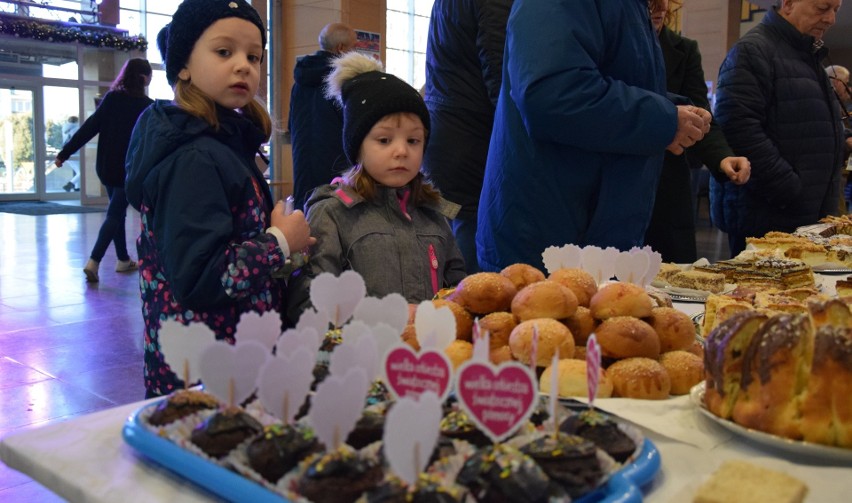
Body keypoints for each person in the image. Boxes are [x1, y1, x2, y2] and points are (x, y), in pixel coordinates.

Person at [124, 0, 315, 397]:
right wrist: (278, 243)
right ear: (183, 65)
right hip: (204, 379)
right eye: (224, 52)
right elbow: (200, 279)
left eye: (253, 56)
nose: (243, 65)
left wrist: (284, 249)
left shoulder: (221, 141)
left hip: (235, 362)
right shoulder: (192, 156)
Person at [475, 1, 711, 272]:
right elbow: (552, 94)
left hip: (586, 227)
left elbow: (610, 76)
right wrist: (664, 120)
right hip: (550, 233)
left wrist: (673, 111)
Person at [287, 52, 466, 320]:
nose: (401, 151)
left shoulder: (433, 214)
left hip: (427, 355)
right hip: (360, 354)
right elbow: (310, 303)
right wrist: (386, 316)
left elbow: (457, 288)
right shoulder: (332, 214)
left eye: (413, 141)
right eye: (384, 140)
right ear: (358, 146)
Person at [711, 0, 846, 257]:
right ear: (788, 3)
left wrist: (843, 141)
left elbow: (805, 121)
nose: (830, 19)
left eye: (835, 10)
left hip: (803, 215)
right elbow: (739, 130)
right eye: (822, 8)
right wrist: (791, 189)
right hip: (769, 217)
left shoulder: (805, 53)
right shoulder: (753, 51)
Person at [644, 0, 751, 263]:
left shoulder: (684, 49)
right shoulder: (614, 43)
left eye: (663, 6)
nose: (660, 10)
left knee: (670, 268)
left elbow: (699, 112)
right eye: (650, 6)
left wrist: (722, 157)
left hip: (668, 180)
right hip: (622, 173)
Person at [421, 0, 513, 274]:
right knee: (469, 235)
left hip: (446, 135)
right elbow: (499, 71)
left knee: (451, 222)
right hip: (470, 139)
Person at [54, 58, 154, 282]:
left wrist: (64, 153)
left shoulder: (111, 99)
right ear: (144, 77)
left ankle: (122, 259)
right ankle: (94, 261)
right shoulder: (147, 106)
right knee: (115, 213)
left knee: (116, 210)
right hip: (127, 171)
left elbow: (89, 128)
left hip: (105, 168)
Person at [288, 22, 356, 212]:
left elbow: (291, 125)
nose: (355, 52)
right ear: (341, 48)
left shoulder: (299, 82)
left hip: (303, 164)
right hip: (335, 167)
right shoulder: (342, 80)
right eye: (354, 47)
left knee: (307, 216)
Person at [60, 116, 80, 192]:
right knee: (81, 172)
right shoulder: (77, 128)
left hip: (66, 152)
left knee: (78, 171)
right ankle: (70, 185)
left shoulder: (65, 128)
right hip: (75, 153)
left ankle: (77, 187)